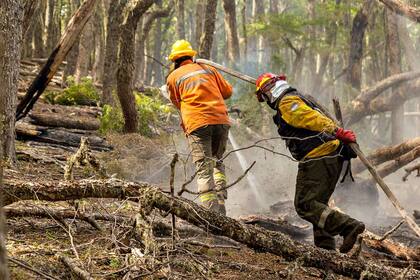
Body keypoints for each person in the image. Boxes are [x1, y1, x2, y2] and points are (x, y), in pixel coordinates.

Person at [254, 73, 365, 253]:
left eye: (264, 94)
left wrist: (336, 131)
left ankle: (348, 227)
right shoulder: (296, 97)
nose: (265, 99)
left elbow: (310, 118)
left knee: (305, 204)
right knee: (318, 204)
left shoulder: (287, 102)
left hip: (318, 156)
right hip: (329, 156)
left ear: (269, 90)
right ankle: (325, 250)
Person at [166, 40, 233, 215]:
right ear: (191, 55)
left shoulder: (173, 77)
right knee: (217, 161)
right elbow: (227, 92)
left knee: (204, 170)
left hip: (197, 123)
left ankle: (211, 216)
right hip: (220, 120)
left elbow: (176, 102)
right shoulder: (208, 68)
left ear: (174, 60)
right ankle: (221, 203)